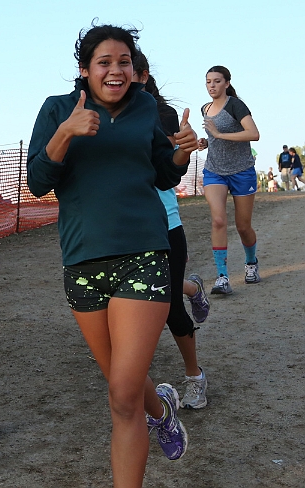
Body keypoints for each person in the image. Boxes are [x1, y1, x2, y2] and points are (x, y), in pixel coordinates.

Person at [27, 23, 198, 487]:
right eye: (104, 62)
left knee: (122, 397)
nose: (116, 70)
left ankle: (146, 421)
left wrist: (181, 155)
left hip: (143, 255)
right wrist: (65, 134)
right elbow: (37, 182)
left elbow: (163, 176)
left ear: (134, 69)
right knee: (123, 383)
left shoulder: (147, 109)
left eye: (124, 61)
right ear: (85, 70)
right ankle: (161, 411)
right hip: (82, 262)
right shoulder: (58, 109)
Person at [133, 54, 209, 410]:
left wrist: (183, 146)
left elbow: (169, 162)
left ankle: (195, 378)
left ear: (143, 75)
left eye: (125, 68)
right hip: (122, 230)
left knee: (168, 309)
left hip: (163, 224)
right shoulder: (100, 116)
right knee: (135, 301)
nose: (115, 76)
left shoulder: (160, 115)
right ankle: (192, 286)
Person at [198, 66, 261, 294]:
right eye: (208, 82)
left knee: (243, 226)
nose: (211, 86)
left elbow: (253, 134)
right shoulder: (204, 109)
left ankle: (251, 263)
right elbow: (212, 138)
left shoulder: (235, 105)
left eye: (216, 81)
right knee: (218, 220)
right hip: (214, 171)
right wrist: (205, 142)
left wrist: (219, 135)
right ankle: (222, 277)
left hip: (241, 170)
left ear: (226, 83)